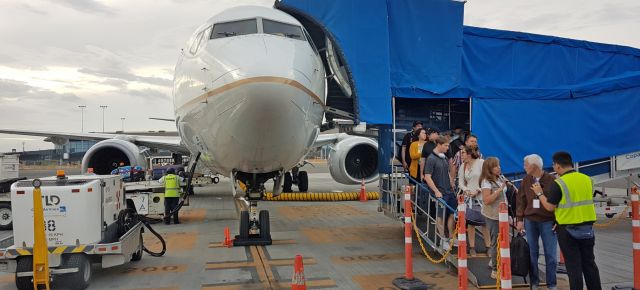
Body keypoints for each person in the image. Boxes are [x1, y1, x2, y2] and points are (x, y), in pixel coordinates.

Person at [534, 152, 601, 290]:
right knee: (590, 264)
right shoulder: (587, 179)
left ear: (558, 166)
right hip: (588, 228)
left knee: (574, 267)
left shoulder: (559, 183)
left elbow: (549, 207)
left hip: (568, 231)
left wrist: (539, 193)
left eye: (553, 164)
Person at [516, 154, 558, 290]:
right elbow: (521, 201)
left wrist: (558, 220)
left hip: (548, 220)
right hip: (530, 220)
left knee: (550, 254)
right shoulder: (526, 180)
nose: (524, 167)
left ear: (534, 166)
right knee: (532, 252)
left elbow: (558, 202)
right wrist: (520, 220)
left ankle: (552, 284)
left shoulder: (552, 180)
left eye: (525, 164)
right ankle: (534, 282)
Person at [423, 136, 456, 249]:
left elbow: (446, 171)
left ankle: (451, 237)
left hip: (449, 190)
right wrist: (436, 191)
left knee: (452, 213)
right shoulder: (431, 159)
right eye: (446, 145)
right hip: (440, 192)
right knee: (440, 216)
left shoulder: (444, 158)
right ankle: (442, 239)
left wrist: (451, 180)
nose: (448, 148)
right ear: (439, 145)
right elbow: (427, 177)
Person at [457, 146, 491, 256]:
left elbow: (488, 178)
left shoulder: (481, 162)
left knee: (485, 223)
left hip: (482, 196)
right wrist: (466, 190)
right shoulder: (463, 166)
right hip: (469, 198)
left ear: (469, 154)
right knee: (470, 222)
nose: (461, 155)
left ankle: (488, 246)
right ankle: (472, 247)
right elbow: (461, 182)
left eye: (463, 153)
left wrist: (479, 190)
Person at [479, 157, 509, 279]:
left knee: (503, 240)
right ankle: (495, 269)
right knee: (496, 241)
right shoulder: (486, 182)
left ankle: (495, 261)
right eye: (496, 166)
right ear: (490, 169)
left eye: (499, 165)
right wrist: (499, 190)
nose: (499, 168)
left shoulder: (499, 178)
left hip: (502, 214)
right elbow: (486, 200)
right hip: (492, 215)